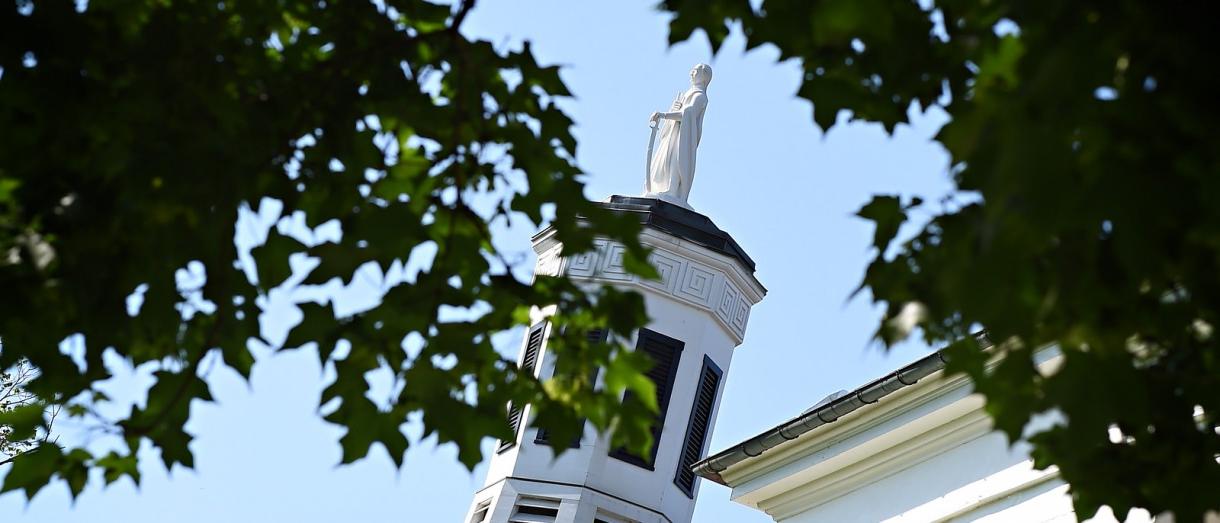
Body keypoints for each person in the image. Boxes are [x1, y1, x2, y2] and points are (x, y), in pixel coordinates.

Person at [644, 63, 712, 209]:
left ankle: (672, 189)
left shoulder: (700, 96)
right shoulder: (689, 93)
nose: (691, 73)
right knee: (668, 160)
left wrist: (664, 115)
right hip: (674, 132)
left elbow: (688, 113)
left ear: (704, 77)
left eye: (695, 71)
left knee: (677, 159)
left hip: (684, 136)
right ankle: (667, 188)